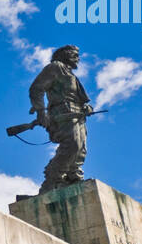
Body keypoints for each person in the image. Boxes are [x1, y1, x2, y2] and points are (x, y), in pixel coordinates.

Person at [28, 45, 94, 193]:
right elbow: (36, 88)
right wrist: (41, 112)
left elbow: (77, 98)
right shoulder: (55, 67)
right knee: (72, 145)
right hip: (62, 114)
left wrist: (86, 107)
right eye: (75, 55)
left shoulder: (70, 74)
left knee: (81, 149)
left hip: (78, 116)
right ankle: (52, 181)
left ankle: (72, 177)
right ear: (65, 55)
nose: (78, 58)